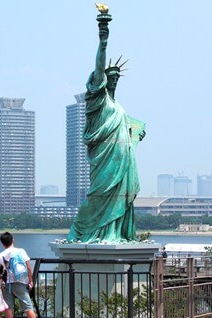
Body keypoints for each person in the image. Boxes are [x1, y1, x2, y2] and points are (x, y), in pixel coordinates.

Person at [67, 9, 146, 244]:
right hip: (105, 159)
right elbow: (100, 66)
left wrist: (136, 134)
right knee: (99, 194)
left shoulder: (119, 106)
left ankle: (114, 232)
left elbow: (126, 131)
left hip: (123, 158)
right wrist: (103, 40)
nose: (113, 79)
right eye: (109, 76)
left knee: (120, 196)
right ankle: (87, 231)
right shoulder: (98, 99)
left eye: (116, 78)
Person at [0, 232, 50, 318]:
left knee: (8, 307)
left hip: (6, 283)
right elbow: (28, 267)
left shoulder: (0, 255)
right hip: (20, 282)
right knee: (27, 306)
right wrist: (30, 280)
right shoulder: (20, 251)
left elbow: (0, 272)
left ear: (2, 243)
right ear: (13, 240)